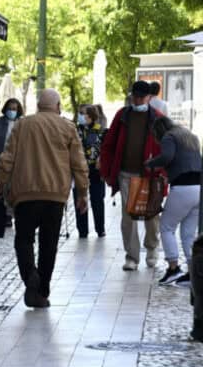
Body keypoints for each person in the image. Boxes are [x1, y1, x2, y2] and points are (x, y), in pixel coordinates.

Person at [0, 89, 89, 308]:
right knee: (49, 244)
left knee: (24, 239)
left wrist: (0, 185)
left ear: (38, 105)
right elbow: (79, 163)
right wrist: (82, 193)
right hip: (55, 196)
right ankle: (42, 291)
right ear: (57, 106)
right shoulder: (68, 128)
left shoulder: (22, 125)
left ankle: (30, 276)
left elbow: (7, 159)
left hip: (25, 194)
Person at [100, 80, 163, 271]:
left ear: (149, 97)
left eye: (140, 97)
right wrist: (107, 170)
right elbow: (109, 144)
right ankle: (132, 257)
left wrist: (162, 171)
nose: (137, 100)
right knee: (129, 216)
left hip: (150, 175)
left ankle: (152, 249)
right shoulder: (122, 115)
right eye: (134, 96)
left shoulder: (157, 117)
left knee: (151, 215)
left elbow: (166, 146)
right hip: (126, 173)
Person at [145, 116, 201, 285]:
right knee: (188, 235)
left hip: (183, 187)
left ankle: (173, 268)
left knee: (166, 227)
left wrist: (150, 163)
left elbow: (167, 156)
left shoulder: (169, 137)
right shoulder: (189, 136)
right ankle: (193, 274)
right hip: (199, 187)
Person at [75, 105, 107, 238]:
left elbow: (106, 149)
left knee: (97, 199)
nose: (80, 116)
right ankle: (82, 230)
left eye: (83, 113)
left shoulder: (101, 131)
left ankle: (100, 228)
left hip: (95, 169)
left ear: (91, 116)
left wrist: (102, 159)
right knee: (79, 198)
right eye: (79, 113)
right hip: (79, 169)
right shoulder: (75, 130)